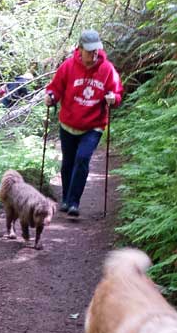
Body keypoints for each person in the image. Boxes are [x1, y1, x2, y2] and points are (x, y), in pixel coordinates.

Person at [44, 29, 123, 217]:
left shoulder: (107, 69)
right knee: (68, 163)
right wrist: (51, 97)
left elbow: (117, 93)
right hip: (68, 123)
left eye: (96, 50)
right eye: (89, 50)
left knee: (82, 159)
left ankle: (73, 202)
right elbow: (55, 88)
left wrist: (113, 98)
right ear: (79, 49)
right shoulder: (68, 66)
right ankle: (65, 197)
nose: (93, 54)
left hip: (93, 125)